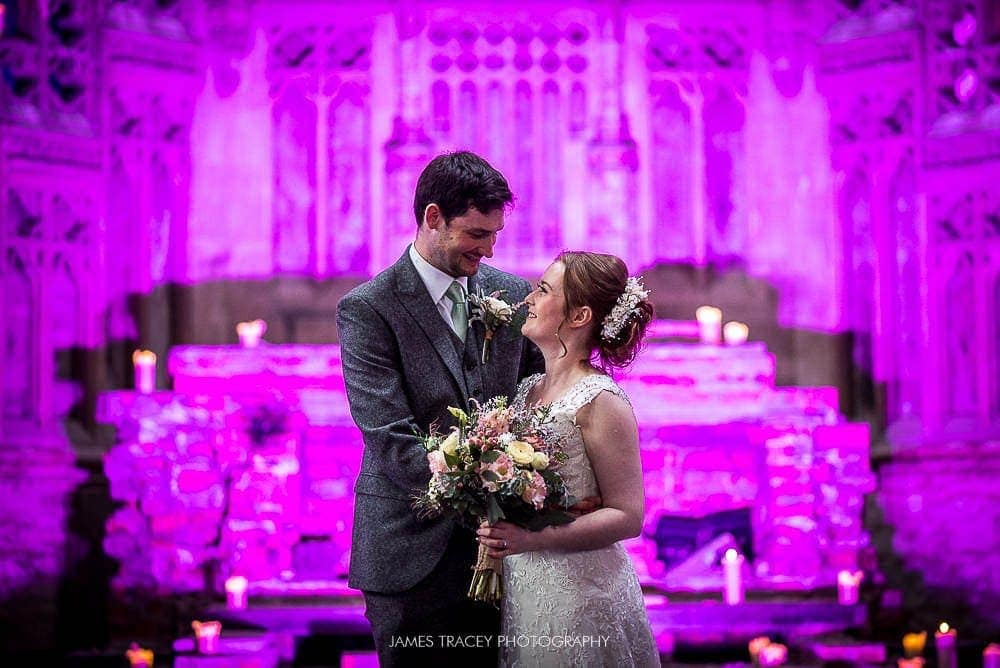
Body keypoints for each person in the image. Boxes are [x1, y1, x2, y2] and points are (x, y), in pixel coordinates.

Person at [336, 151, 544, 666]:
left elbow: (539, 401)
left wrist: (525, 484)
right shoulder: (370, 308)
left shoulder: (513, 295)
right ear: (433, 218)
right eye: (476, 233)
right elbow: (388, 433)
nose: (488, 248)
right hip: (409, 553)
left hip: (503, 551)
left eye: (494, 234)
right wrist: (481, 483)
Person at [477, 250, 660, 667]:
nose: (528, 299)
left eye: (543, 290)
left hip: (580, 594)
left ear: (578, 317)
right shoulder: (527, 391)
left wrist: (534, 538)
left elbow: (628, 515)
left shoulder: (601, 400)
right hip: (526, 586)